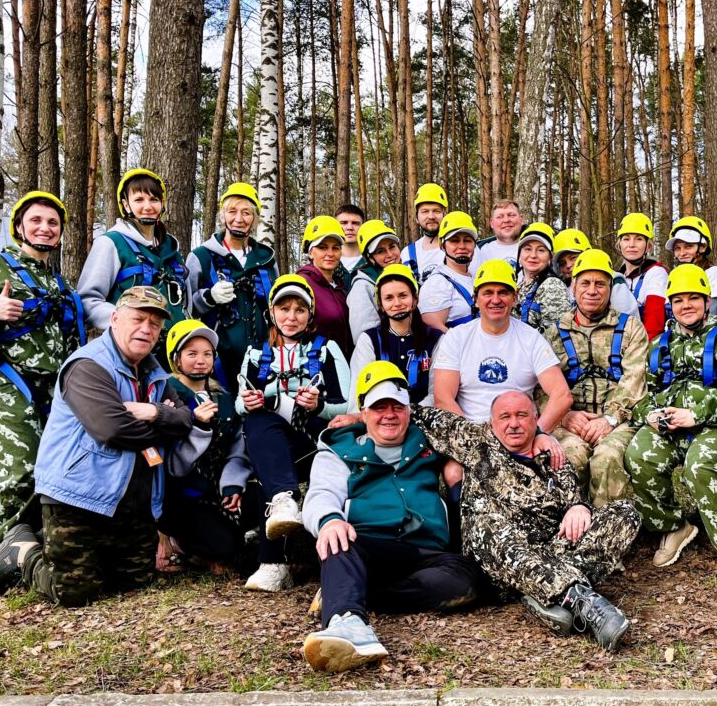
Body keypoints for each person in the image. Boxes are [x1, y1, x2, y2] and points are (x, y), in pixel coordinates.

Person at [0, 287, 193, 604]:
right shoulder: (88, 366)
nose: (146, 329)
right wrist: (166, 423)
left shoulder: (154, 371)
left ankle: (79, 554)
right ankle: (22, 551)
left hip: (128, 502)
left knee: (135, 583)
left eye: (154, 324)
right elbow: (113, 430)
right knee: (76, 592)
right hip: (77, 497)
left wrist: (153, 412)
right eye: (138, 319)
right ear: (115, 319)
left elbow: (185, 418)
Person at [409, 392, 639, 650]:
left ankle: (544, 593)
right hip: (502, 559)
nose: (514, 424)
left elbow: (573, 499)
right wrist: (358, 417)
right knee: (486, 526)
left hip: (553, 550)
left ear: (535, 419)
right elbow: (420, 415)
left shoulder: (552, 456)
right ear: (492, 422)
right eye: (505, 417)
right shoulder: (475, 441)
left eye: (521, 415)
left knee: (625, 513)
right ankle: (582, 602)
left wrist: (577, 506)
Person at [0, 191, 85, 594]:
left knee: (48, 475)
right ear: (19, 226)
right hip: (8, 385)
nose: (45, 228)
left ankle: (19, 550)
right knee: (19, 476)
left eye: (53, 223)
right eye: (36, 221)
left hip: (52, 390)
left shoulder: (59, 283)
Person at [301, 362, 482, 673]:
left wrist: (541, 438)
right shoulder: (339, 449)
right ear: (363, 411)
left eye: (397, 406)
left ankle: (358, 591)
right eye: (378, 407)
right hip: (366, 544)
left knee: (468, 579)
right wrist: (329, 520)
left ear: (409, 410)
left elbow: (491, 439)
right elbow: (321, 494)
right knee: (337, 541)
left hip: (425, 550)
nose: (389, 415)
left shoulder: (429, 441)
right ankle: (347, 621)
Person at [624, 264, 717, 567]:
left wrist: (698, 414)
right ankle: (672, 526)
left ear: (707, 302)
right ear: (671, 304)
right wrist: (651, 415)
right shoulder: (660, 345)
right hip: (671, 427)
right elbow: (644, 396)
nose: (687, 306)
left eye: (694, 298)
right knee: (639, 455)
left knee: (699, 464)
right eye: (679, 300)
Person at [235, 274, 351, 591]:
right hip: (273, 446)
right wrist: (249, 402)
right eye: (283, 309)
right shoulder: (257, 355)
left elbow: (346, 405)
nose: (291, 317)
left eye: (299, 310)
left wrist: (318, 406)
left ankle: (274, 560)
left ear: (310, 315)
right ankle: (282, 513)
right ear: (272, 313)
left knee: (270, 463)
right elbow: (239, 404)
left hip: (315, 443)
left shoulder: (327, 350)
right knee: (258, 422)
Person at [544, 249, 648, 507]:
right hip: (569, 420)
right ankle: (567, 526)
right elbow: (539, 387)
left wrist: (609, 419)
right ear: (573, 286)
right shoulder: (553, 333)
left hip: (619, 420)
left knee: (607, 457)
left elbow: (635, 379)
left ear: (610, 288)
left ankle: (608, 527)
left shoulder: (631, 328)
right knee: (568, 456)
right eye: (585, 283)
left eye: (600, 283)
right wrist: (564, 415)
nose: (592, 290)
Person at [158, 320, 255, 572]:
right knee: (225, 547)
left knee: (262, 503)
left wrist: (231, 485)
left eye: (207, 354)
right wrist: (197, 428)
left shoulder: (224, 398)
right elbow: (173, 467)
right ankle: (172, 539)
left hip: (215, 492)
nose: (200, 360)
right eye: (191, 354)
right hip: (182, 496)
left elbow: (237, 449)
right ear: (176, 359)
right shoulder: (166, 396)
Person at [432, 259, 574, 427]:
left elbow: (562, 395)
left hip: (520, 432)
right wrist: (471, 438)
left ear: (515, 298)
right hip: (471, 431)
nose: (496, 299)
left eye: (503, 293)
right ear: (475, 299)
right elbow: (443, 399)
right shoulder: (456, 337)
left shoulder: (531, 338)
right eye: (488, 293)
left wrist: (537, 434)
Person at [77, 169, 190, 340]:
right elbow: (88, 301)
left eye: (154, 199)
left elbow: (185, 303)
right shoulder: (111, 243)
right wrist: (126, 323)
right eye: (139, 200)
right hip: (131, 350)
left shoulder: (172, 249)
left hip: (175, 350)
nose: (148, 206)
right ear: (126, 204)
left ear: (162, 204)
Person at [186, 182, 278, 388]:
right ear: (222, 215)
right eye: (232, 211)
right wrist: (208, 297)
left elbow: (276, 306)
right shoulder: (201, 257)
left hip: (261, 357)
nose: (239, 219)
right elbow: (185, 308)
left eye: (246, 213)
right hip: (216, 360)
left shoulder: (266, 259)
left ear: (254, 219)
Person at [347, 264, 443, 410]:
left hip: (424, 418)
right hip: (380, 419)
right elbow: (358, 395)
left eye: (403, 296)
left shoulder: (435, 339)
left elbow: (437, 393)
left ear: (415, 299)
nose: (397, 303)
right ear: (380, 304)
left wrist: (407, 413)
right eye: (389, 298)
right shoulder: (369, 340)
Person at [297, 216, 354, 357]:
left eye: (335, 248)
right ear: (310, 252)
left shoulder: (340, 287)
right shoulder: (301, 284)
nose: (330, 254)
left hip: (342, 365)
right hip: (314, 366)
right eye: (322, 248)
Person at [418, 211, 480, 332]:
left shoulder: (474, 278)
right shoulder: (437, 283)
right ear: (442, 246)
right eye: (454, 241)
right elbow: (434, 328)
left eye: (467, 240)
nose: (462, 246)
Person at [347, 220, 403, 342]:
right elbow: (364, 338)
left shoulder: (406, 276)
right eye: (380, 251)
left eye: (392, 246)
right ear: (370, 258)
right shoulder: (362, 286)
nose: (390, 254)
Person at [616, 213, 669, 339]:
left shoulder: (656, 273)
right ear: (620, 244)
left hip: (642, 346)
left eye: (639, 239)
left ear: (648, 245)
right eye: (626, 239)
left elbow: (654, 324)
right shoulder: (617, 277)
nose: (631, 244)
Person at [514, 222, 572, 334]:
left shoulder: (552, 286)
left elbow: (558, 338)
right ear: (519, 255)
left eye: (541, 250)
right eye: (527, 249)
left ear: (550, 257)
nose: (533, 255)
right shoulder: (520, 285)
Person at [665, 216, 717, 311]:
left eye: (688, 246)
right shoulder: (674, 277)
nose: (682, 253)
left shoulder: (713, 273)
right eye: (677, 248)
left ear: (703, 247)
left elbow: (712, 311)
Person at [401, 183, 448, 282]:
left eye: (436, 211)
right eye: (425, 211)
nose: (431, 216)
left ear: (445, 214)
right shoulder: (407, 254)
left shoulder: (460, 249)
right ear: (417, 217)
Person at [477, 199, 526, 267]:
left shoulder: (533, 249)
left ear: (522, 219)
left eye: (511, 215)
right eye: (499, 217)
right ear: (491, 223)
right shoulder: (479, 252)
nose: (506, 220)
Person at [334, 204, 366, 293]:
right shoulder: (327, 261)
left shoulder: (372, 261)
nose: (349, 228)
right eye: (343, 223)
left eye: (355, 223)